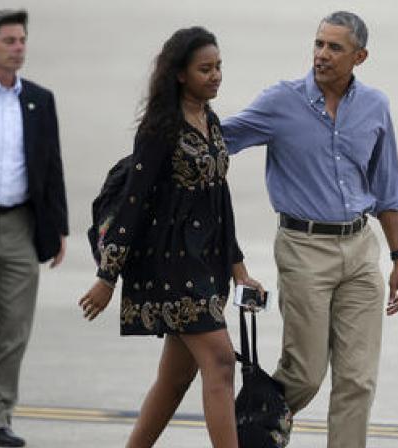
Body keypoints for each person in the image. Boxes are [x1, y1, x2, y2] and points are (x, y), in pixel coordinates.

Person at [221, 11, 398, 448]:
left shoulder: (375, 106)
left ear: (359, 56)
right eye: (319, 44)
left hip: (361, 249)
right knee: (304, 374)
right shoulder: (280, 101)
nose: (322, 55)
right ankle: (246, 434)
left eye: (335, 47)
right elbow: (218, 140)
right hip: (303, 247)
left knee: (357, 379)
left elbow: (388, 190)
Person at [77, 27, 262, 448]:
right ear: (179, 74)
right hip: (171, 267)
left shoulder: (210, 122)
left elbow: (220, 203)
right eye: (205, 69)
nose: (215, 76)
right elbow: (132, 205)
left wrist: (240, 273)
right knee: (219, 362)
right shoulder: (159, 129)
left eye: (218, 67)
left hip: (205, 263)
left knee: (176, 378)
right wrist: (107, 279)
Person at [0, 9, 68, 447]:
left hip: (22, 225)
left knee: (13, 330)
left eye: (22, 40)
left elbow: (52, 166)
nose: (18, 48)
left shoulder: (39, 100)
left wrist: (58, 227)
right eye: (9, 40)